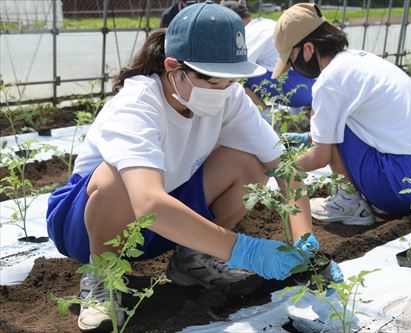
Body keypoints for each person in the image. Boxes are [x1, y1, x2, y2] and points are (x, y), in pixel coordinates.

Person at [46, 2, 319, 332]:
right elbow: (147, 202)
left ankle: (191, 259)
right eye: (213, 82)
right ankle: (102, 276)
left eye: (231, 81)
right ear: (174, 68)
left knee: (249, 165)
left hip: (163, 221)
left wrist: (305, 242)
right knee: (116, 177)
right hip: (87, 224)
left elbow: (284, 169)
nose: (224, 92)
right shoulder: (138, 104)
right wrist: (244, 250)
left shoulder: (230, 98)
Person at [272, 3, 411, 226]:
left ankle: (348, 203)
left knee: (332, 130)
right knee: (334, 125)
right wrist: (308, 138)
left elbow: (321, 155)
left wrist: (279, 170)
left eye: (291, 60)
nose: (292, 67)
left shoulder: (330, 81)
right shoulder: (363, 61)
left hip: (403, 187)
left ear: (308, 49)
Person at [221, 0, 315, 122]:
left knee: (235, 79)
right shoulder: (264, 23)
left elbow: (236, 71)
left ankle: (267, 117)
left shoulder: (248, 33)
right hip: (309, 84)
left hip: (301, 91)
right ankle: (294, 115)